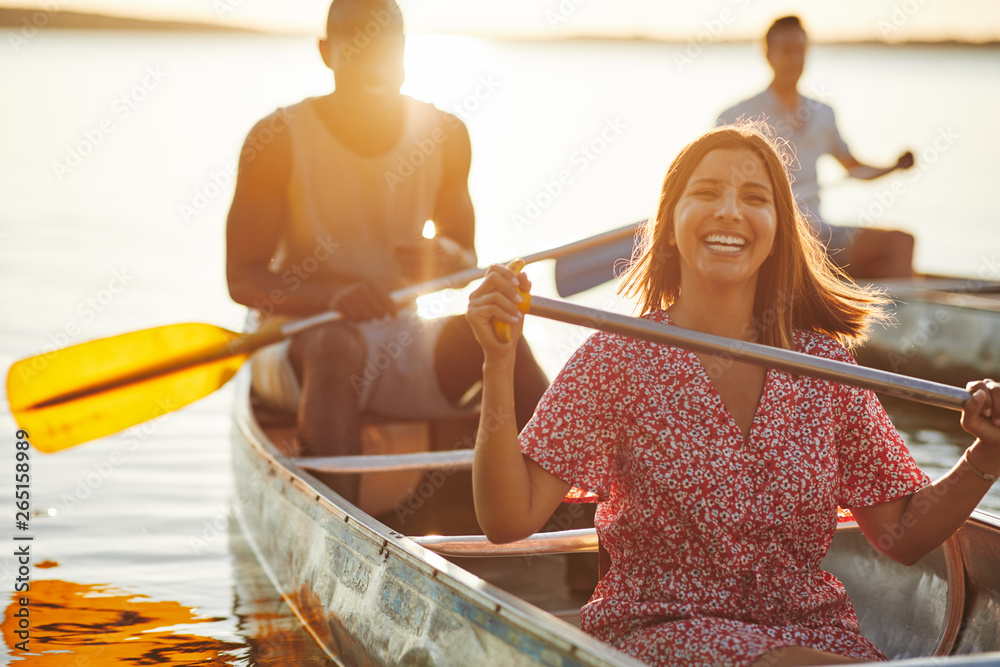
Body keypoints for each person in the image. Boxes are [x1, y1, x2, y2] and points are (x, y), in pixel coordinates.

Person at [466, 123, 1000, 666]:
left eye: (753, 198)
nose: (728, 211)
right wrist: (499, 357)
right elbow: (507, 520)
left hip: (817, 640)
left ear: (777, 232)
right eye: (706, 193)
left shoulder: (825, 366)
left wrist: (988, 453)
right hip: (661, 633)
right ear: (670, 227)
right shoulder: (615, 359)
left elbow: (902, 537)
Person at [225, 0, 548, 507]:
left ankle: (568, 527)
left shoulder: (445, 134)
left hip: (398, 339)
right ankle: (339, 541)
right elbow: (242, 280)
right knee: (336, 345)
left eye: (385, 49)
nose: (372, 63)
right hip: (296, 339)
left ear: (403, 54)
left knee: (502, 338)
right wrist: (333, 294)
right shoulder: (277, 139)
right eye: (355, 48)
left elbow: (465, 256)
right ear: (327, 53)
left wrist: (445, 257)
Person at [718, 15, 916, 279]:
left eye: (800, 50)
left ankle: (903, 317)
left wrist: (893, 168)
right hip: (770, 237)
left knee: (901, 242)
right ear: (768, 54)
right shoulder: (737, 116)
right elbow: (723, 186)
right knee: (803, 236)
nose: (794, 59)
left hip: (819, 234)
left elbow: (854, 169)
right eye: (786, 51)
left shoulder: (823, 113)